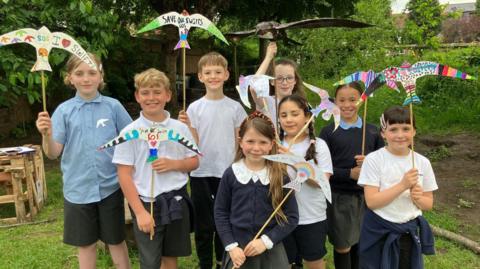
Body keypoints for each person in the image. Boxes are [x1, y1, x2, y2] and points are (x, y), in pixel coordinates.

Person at [35, 53, 132, 269]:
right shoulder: (63, 111)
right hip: (78, 190)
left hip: (111, 187)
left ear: (100, 76)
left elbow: (131, 140)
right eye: (79, 73)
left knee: (116, 240)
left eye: (92, 73)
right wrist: (46, 134)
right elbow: (52, 153)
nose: (86, 78)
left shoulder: (113, 107)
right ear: (70, 77)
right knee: (86, 244)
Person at [112, 68, 199, 269]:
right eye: (145, 93)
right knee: (150, 262)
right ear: (137, 96)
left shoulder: (180, 129)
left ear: (168, 95)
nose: (152, 98)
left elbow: (194, 161)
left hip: (176, 200)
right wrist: (140, 212)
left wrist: (174, 164)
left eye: (157, 92)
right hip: (146, 204)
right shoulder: (130, 132)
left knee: (170, 257)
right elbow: (124, 174)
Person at [178, 52, 248, 269]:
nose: (213, 76)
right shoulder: (194, 108)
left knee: (224, 220)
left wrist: (239, 165)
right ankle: (205, 263)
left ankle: (222, 260)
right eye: (208, 72)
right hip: (201, 172)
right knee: (204, 223)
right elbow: (194, 143)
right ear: (200, 76)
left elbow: (241, 140)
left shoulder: (235, 107)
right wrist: (187, 126)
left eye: (218, 72)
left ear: (226, 74)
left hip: (228, 172)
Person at [214, 111, 299, 269]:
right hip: (239, 251)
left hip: (270, 252)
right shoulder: (231, 174)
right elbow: (220, 213)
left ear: (271, 144)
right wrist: (231, 246)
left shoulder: (280, 177)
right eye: (250, 141)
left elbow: (292, 217)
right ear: (240, 142)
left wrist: (265, 241)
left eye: (262, 142)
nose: (256, 148)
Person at [358, 106, 437, 269]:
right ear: (383, 133)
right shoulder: (373, 160)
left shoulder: (422, 162)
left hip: (407, 232)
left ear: (414, 131)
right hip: (378, 232)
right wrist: (403, 185)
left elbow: (428, 204)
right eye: (393, 129)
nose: (400, 135)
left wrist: (418, 198)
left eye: (406, 129)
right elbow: (371, 201)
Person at [319, 82, 384, 269]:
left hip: (367, 197)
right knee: (343, 245)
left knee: (362, 242)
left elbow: (384, 162)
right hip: (340, 197)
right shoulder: (328, 132)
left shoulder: (372, 131)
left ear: (361, 101)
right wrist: (350, 173)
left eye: (353, 100)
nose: (347, 104)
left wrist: (370, 162)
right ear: (334, 103)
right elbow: (322, 168)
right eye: (341, 100)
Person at [277, 95, 333, 269]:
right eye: (283, 115)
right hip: (281, 217)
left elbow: (322, 181)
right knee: (285, 262)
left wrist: (292, 159)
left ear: (307, 117)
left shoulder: (320, 146)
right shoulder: (274, 145)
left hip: (311, 217)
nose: (289, 119)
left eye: (295, 114)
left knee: (314, 261)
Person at [252, 42, 305, 127]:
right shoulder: (268, 102)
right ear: (272, 81)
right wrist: (268, 57)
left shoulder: (302, 104)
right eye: (279, 78)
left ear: (295, 81)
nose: (285, 82)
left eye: (289, 78)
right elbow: (254, 87)